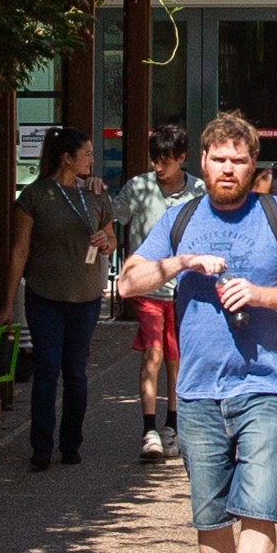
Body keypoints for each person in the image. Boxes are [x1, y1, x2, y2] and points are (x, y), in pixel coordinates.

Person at [116, 111, 277, 553]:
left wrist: (259, 294)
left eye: (239, 160)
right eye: (220, 159)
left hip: (263, 385)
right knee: (210, 511)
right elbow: (127, 281)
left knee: (258, 505)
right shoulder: (181, 220)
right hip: (199, 392)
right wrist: (181, 262)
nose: (229, 169)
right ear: (202, 162)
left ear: (252, 164)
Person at [3, 129, 116, 470]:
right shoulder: (36, 196)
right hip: (45, 295)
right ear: (66, 157)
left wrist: (105, 242)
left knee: (77, 373)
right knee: (47, 369)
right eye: (86, 153)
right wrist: (8, 301)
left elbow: (111, 237)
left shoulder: (95, 194)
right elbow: (20, 249)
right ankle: (41, 446)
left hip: (86, 296)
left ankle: (71, 444)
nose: (91, 159)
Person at [116, 124, 192, 460]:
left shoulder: (198, 192)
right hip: (149, 287)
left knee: (177, 359)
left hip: (185, 288)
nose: (159, 167)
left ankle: (172, 424)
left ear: (182, 158)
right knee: (154, 353)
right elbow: (113, 215)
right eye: (155, 160)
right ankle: (149, 428)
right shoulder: (138, 187)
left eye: (166, 161)